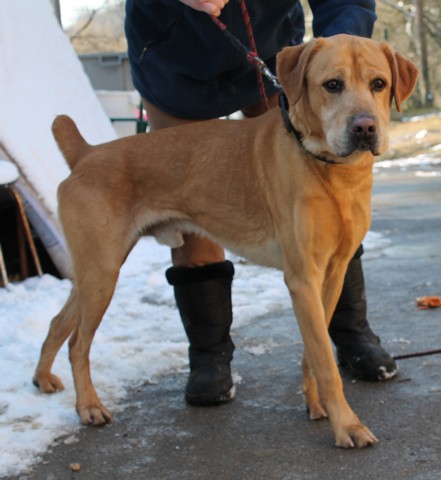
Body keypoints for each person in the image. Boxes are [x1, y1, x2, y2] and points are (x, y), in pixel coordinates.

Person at [124, 0, 398, 406]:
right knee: (195, 195)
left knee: (327, 196)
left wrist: (342, 47)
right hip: (173, 55)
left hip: (268, 45)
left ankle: (350, 330)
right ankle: (209, 354)